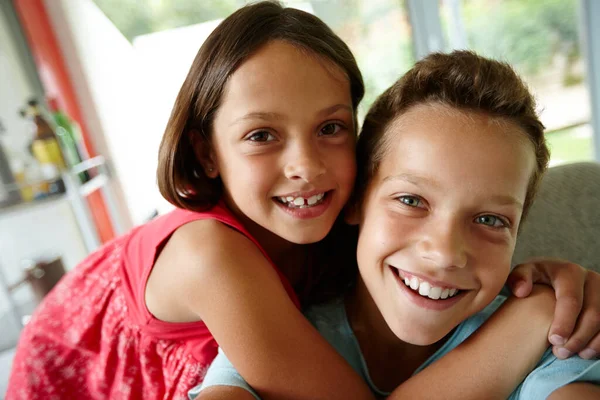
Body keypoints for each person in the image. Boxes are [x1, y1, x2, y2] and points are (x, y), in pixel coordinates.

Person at [6, 3, 600, 399]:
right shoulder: (210, 254)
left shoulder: (336, 231)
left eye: (331, 128)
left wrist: (549, 281)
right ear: (207, 152)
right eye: (262, 135)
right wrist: (528, 321)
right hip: (78, 370)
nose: (307, 166)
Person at [194, 51, 600, 399]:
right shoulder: (273, 342)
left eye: (490, 219)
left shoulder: (558, 344)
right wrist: (531, 318)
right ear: (356, 201)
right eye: (411, 201)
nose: (444, 253)